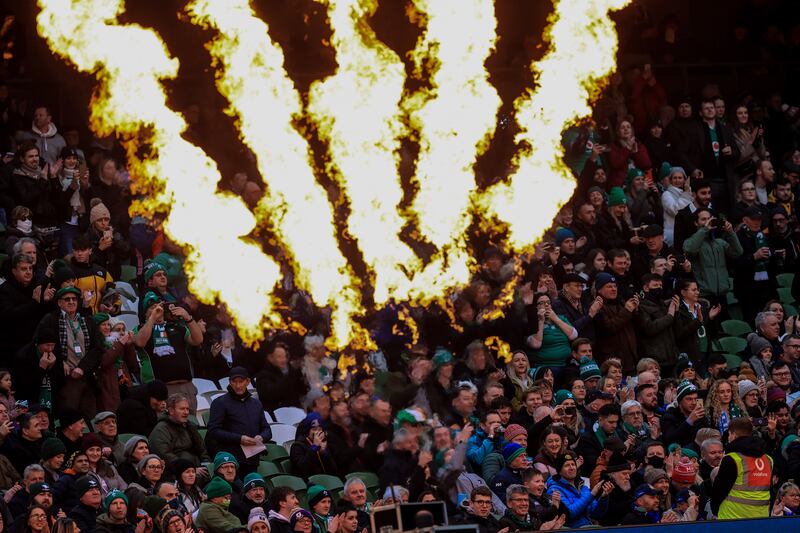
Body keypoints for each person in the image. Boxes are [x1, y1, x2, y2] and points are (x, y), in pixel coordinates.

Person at [35, 287, 102, 418]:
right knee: (69, 417)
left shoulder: (87, 320)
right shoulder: (51, 319)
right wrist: (61, 362)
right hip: (65, 378)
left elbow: (98, 348)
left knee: (90, 417)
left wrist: (82, 368)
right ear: (59, 303)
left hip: (86, 376)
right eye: (67, 299)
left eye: (74, 299)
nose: (71, 302)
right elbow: (40, 344)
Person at [207, 367, 272, 476]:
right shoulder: (220, 403)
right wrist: (240, 439)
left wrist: (261, 437)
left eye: (241, 381)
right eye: (234, 382)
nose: (238, 386)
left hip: (252, 458)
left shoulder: (256, 404)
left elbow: (267, 430)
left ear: (248, 382)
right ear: (230, 382)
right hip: (230, 460)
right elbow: (213, 430)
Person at [712, 418, 772, 519]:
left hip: (732, 518)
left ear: (733, 434)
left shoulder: (732, 459)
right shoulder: (768, 459)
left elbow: (719, 490)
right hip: (761, 518)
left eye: (729, 435)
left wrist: (714, 509)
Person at [682, 208, 742, 307]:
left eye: (709, 218)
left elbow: (738, 252)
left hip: (722, 294)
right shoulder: (690, 242)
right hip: (704, 295)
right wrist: (705, 229)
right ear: (696, 223)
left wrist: (731, 232)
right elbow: (690, 250)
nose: (708, 222)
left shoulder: (719, 242)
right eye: (703, 219)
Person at [546, 452, 612, 528]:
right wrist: (592, 494)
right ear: (560, 471)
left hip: (588, 528)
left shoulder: (583, 487)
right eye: (567, 465)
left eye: (573, 464)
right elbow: (569, 514)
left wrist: (603, 498)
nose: (571, 468)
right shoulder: (554, 490)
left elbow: (597, 514)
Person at [148, 393, 209, 469]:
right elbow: (164, 456)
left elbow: (202, 449)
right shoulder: (161, 430)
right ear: (171, 411)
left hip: (197, 468)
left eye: (187, 409)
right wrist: (189, 469)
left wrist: (206, 463)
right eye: (182, 409)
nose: (186, 412)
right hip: (177, 472)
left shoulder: (190, 426)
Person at [255, 342, 308, 415]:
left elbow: (303, 391)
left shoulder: (291, 372)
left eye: (285, 356)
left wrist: (299, 373)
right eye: (279, 357)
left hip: (296, 410)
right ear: (270, 358)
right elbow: (272, 394)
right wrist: (288, 376)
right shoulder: (263, 375)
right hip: (277, 414)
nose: (284, 360)